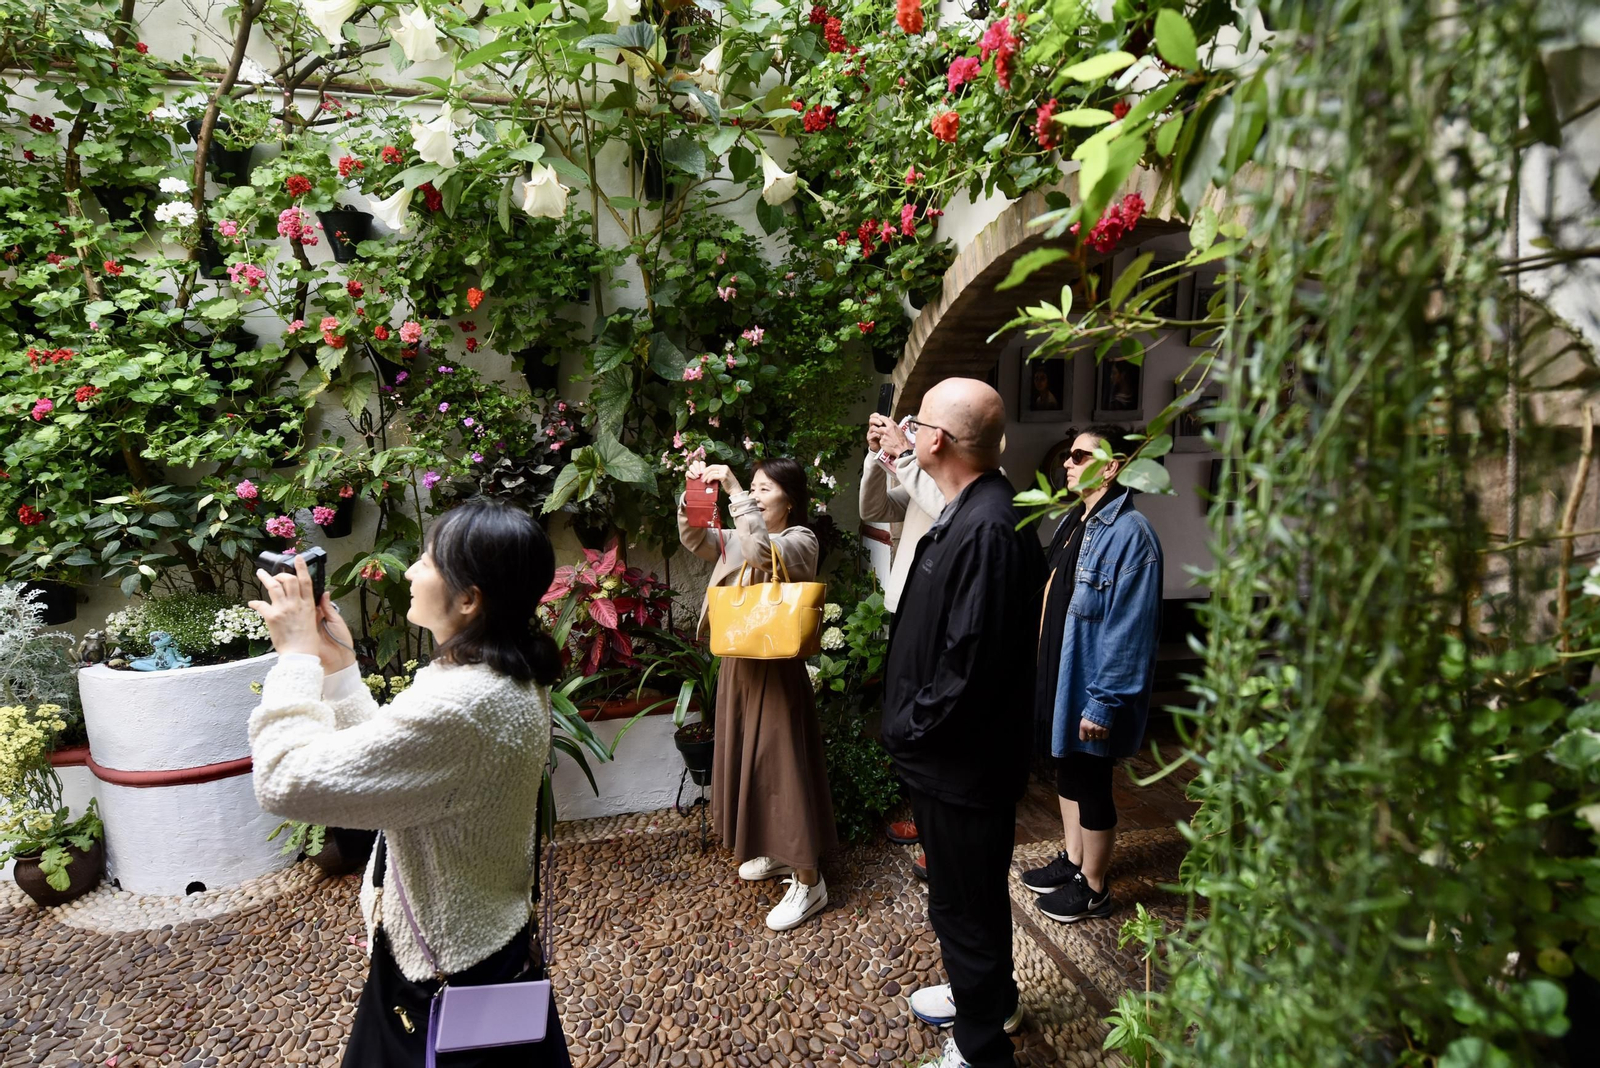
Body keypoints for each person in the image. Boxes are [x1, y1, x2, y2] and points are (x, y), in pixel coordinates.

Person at [247, 499, 572, 1068]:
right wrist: (338, 667)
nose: (411, 571)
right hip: (486, 943)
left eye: (426, 559)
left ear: (469, 598)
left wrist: (295, 661)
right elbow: (403, 768)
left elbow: (283, 779)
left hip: (444, 970)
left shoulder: (463, 703)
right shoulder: (502, 671)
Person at [880, 378, 1047, 1068]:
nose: (908, 433)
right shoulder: (973, 506)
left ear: (936, 440)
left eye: (915, 424)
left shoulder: (988, 525)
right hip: (952, 760)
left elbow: (967, 666)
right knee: (966, 894)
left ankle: (980, 1047)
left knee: (964, 904)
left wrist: (911, 728)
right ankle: (989, 997)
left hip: (960, 762)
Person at [679, 454, 837, 932]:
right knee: (752, 760)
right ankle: (778, 850)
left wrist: (734, 494)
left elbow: (762, 556)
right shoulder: (738, 535)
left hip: (776, 671)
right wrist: (696, 491)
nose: (753, 495)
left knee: (780, 767)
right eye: (753, 487)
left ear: (789, 500)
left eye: (764, 489)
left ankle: (810, 880)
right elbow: (695, 538)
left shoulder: (800, 539)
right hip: (739, 665)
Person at [1021, 425, 1164, 925]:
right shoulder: (1073, 521)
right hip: (1058, 677)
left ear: (1111, 466)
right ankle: (1075, 859)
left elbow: (1130, 631)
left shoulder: (1131, 534)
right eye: (1068, 455)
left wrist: (1103, 702)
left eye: (1080, 456)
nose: (1067, 463)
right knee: (1066, 768)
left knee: (1091, 778)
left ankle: (1096, 887)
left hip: (1089, 685)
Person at [860, 413, 948, 867]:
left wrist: (906, 455)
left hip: (937, 620)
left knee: (932, 725)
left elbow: (949, 512)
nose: (914, 431)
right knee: (910, 718)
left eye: (922, 426)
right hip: (906, 612)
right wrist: (877, 458)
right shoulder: (920, 476)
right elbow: (873, 509)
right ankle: (924, 817)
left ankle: (940, 839)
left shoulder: (972, 482)